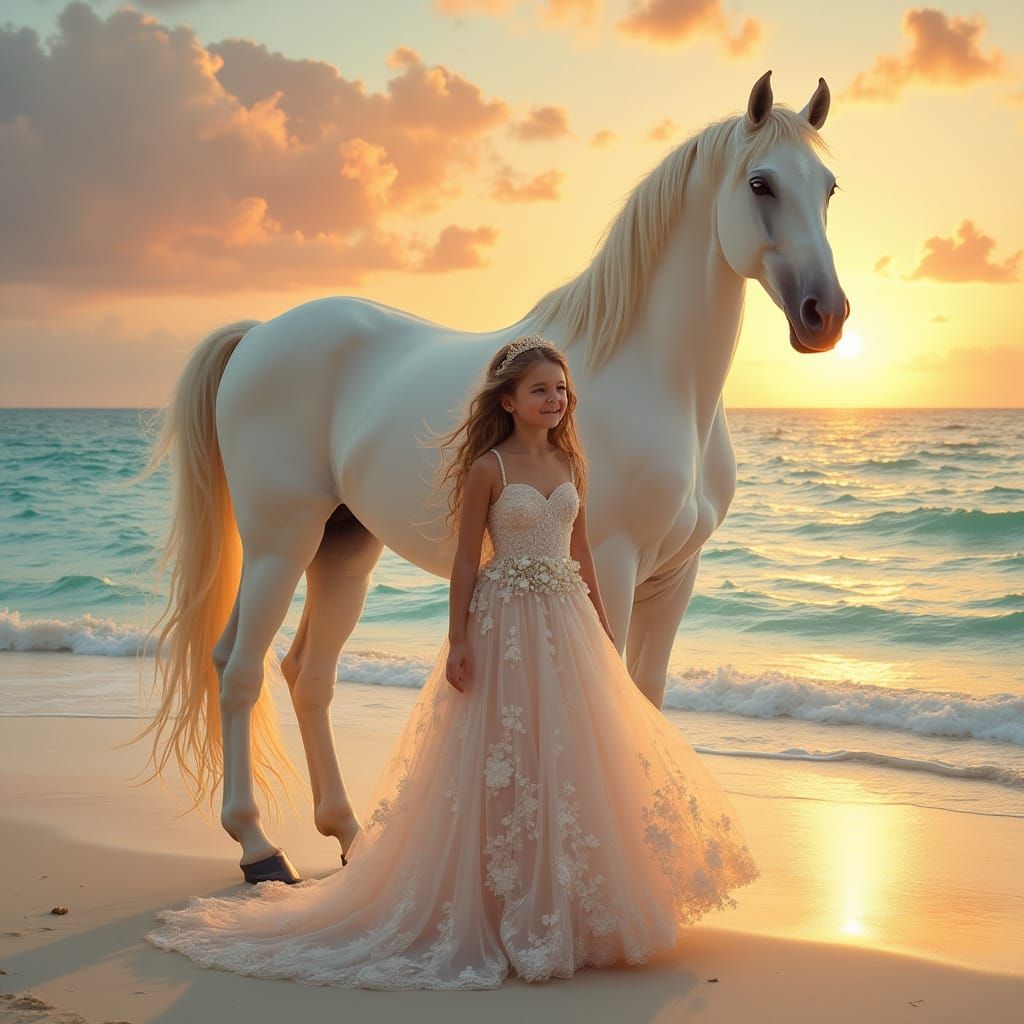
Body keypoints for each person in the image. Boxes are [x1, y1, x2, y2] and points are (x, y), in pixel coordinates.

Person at [145, 335, 759, 990]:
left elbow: (582, 554)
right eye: (540, 390)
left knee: (567, 752)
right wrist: (460, 639)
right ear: (508, 400)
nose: (555, 400)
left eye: (560, 389)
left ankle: (571, 900)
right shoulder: (489, 469)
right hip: (505, 619)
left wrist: (607, 634)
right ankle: (494, 900)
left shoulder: (572, 465)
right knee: (498, 750)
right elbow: (467, 560)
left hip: (565, 619)